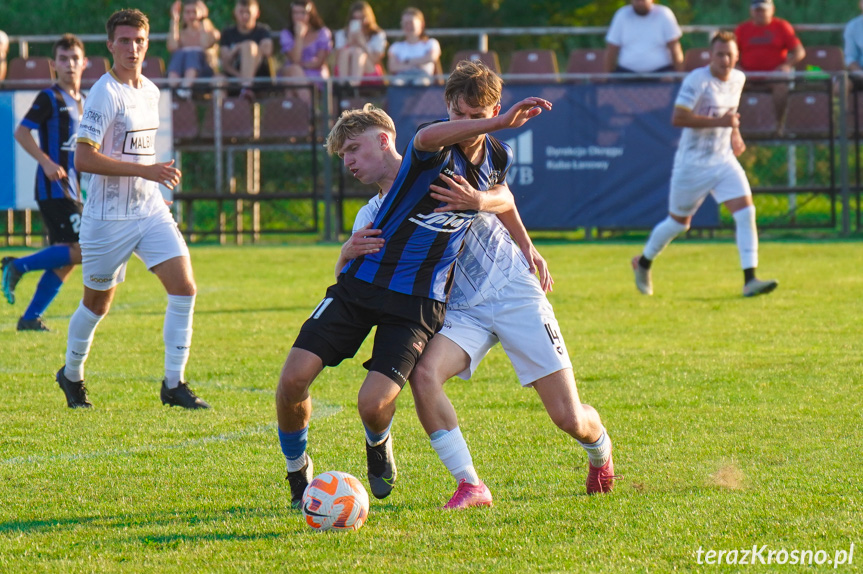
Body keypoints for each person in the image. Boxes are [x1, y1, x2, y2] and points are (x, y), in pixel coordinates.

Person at [276, 65, 552, 509]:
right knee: (292, 379)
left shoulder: (447, 163)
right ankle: (296, 472)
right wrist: (345, 251)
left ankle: (378, 440)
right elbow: (347, 259)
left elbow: (501, 193)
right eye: (341, 155)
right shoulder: (381, 199)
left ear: (385, 140)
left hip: (418, 305)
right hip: (359, 293)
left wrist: (524, 243)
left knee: (373, 403)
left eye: (353, 149)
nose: (347, 161)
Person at [340, 93, 617, 508]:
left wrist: (504, 224)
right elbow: (354, 272)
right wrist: (345, 253)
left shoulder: (460, 164)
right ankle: (471, 485)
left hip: (512, 293)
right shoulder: (389, 195)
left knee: (568, 417)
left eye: (474, 116)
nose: (464, 123)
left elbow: (504, 197)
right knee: (424, 375)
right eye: (457, 114)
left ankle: (600, 450)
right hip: (460, 308)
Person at [55, 9, 209, 410]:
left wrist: (156, 183)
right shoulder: (105, 93)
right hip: (107, 220)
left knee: (184, 288)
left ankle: (173, 384)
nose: (133, 48)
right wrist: (147, 170)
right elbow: (84, 161)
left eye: (139, 40)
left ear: (148, 42)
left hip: (150, 212)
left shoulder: (152, 92)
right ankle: (71, 374)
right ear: (110, 45)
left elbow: (140, 150)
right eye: (124, 40)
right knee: (97, 304)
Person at [632, 31, 778, 298]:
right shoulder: (697, 80)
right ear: (711, 56)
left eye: (730, 54)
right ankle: (643, 262)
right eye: (720, 54)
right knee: (678, 224)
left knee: (746, 213)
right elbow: (678, 118)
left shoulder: (738, 78)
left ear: (737, 56)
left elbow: (730, 114)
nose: (725, 59)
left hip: (723, 160)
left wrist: (734, 134)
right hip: (692, 164)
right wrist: (720, 123)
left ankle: (750, 280)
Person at [2, 34, 87, 332]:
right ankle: (16, 266)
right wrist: (47, 162)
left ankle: (30, 318)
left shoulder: (84, 102)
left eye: (75, 58)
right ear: (54, 65)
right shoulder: (49, 97)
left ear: (85, 62)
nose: (70, 64)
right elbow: (22, 132)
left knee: (66, 259)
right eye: (63, 59)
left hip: (73, 188)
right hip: (53, 188)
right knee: (82, 249)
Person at [735, 0, 805, 120]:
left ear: (772, 10)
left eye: (763, 10)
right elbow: (732, 52)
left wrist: (787, 65)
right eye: (757, 10)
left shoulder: (782, 26)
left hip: (774, 76)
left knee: (781, 86)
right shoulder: (742, 29)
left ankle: (778, 126)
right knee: (732, 85)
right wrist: (736, 67)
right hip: (748, 76)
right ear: (751, 11)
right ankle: (740, 126)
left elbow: (800, 52)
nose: (760, 13)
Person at [605, 0, 684, 75]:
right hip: (625, 75)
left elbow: (675, 47)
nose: (639, 2)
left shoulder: (664, 14)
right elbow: (612, 48)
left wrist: (680, 77)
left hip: (662, 75)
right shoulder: (621, 15)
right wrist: (606, 77)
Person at [220, 0, 274, 100]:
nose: (244, 16)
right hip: (234, 76)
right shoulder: (227, 33)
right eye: (241, 12)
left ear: (257, 14)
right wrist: (237, 49)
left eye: (248, 12)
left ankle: (246, 89)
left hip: (258, 78)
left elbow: (267, 51)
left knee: (249, 46)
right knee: (217, 80)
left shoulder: (262, 31)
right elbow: (225, 62)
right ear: (235, 13)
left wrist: (246, 48)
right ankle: (220, 113)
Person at [167, 0, 220, 99]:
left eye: (194, 12)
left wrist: (204, 19)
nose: (191, 16)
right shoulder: (181, 34)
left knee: (192, 54)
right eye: (187, 12)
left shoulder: (210, 32)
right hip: (182, 73)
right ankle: (171, 90)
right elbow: (172, 47)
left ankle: (185, 89)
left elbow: (205, 44)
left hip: (204, 73)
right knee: (178, 54)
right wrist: (174, 20)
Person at [334, 1, 387, 85]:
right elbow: (336, 60)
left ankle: (354, 85)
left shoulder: (377, 35)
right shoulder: (342, 34)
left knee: (357, 52)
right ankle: (343, 85)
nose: (359, 22)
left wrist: (363, 44)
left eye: (362, 18)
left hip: (370, 70)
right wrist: (349, 42)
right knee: (346, 52)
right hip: (345, 69)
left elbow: (376, 60)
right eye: (355, 19)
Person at [278, 1, 332, 82]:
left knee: (296, 74)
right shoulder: (286, 34)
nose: (299, 16)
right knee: (294, 71)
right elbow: (295, 60)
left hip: (315, 72)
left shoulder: (322, 33)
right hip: (293, 72)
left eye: (303, 13)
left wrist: (303, 65)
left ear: (310, 14)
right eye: (295, 13)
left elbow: (319, 61)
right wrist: (299, 36)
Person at [387, 7, 441, 86]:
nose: (408, 26)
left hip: (423, 76)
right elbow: (392, 66)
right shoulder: (396, 47)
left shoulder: (431, 43)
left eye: (411, 23)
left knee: (420, 83)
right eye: (405, 23)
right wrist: (419, 63)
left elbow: (431, 57)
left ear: (421, 24)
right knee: (397, 83)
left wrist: (406, 62)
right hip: (402, 76)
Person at [844, 0, 863, 87]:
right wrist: (860, 73)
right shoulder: (853, 26)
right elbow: (850, 57)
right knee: (841, 85)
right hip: (860, 73)